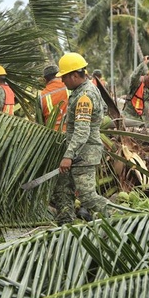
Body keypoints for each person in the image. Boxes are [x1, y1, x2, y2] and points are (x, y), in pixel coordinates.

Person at [51, 52, 109, 225]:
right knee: (62, 188)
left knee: (87, 196)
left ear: (75, 75)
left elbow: (82, 132)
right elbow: (104, 109)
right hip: (80, 151)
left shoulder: (84, 96)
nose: (62, 82)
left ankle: (121, 218)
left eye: (64, 77)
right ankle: (65, 224)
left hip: (84, 154)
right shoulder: (85, 90)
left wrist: (68, 155)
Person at [123, 55, 149, 128]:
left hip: (144, 122)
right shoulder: (137, 83)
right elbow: (134, 77)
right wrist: (143, 64)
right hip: (130, 118)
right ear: (147, 75)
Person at [39, 64, 70, 131]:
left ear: (45, 80)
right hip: (71, 130)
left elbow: (40, 120)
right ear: (60, 75)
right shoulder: (69, 86)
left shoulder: (42, 96)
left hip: (52, 134)